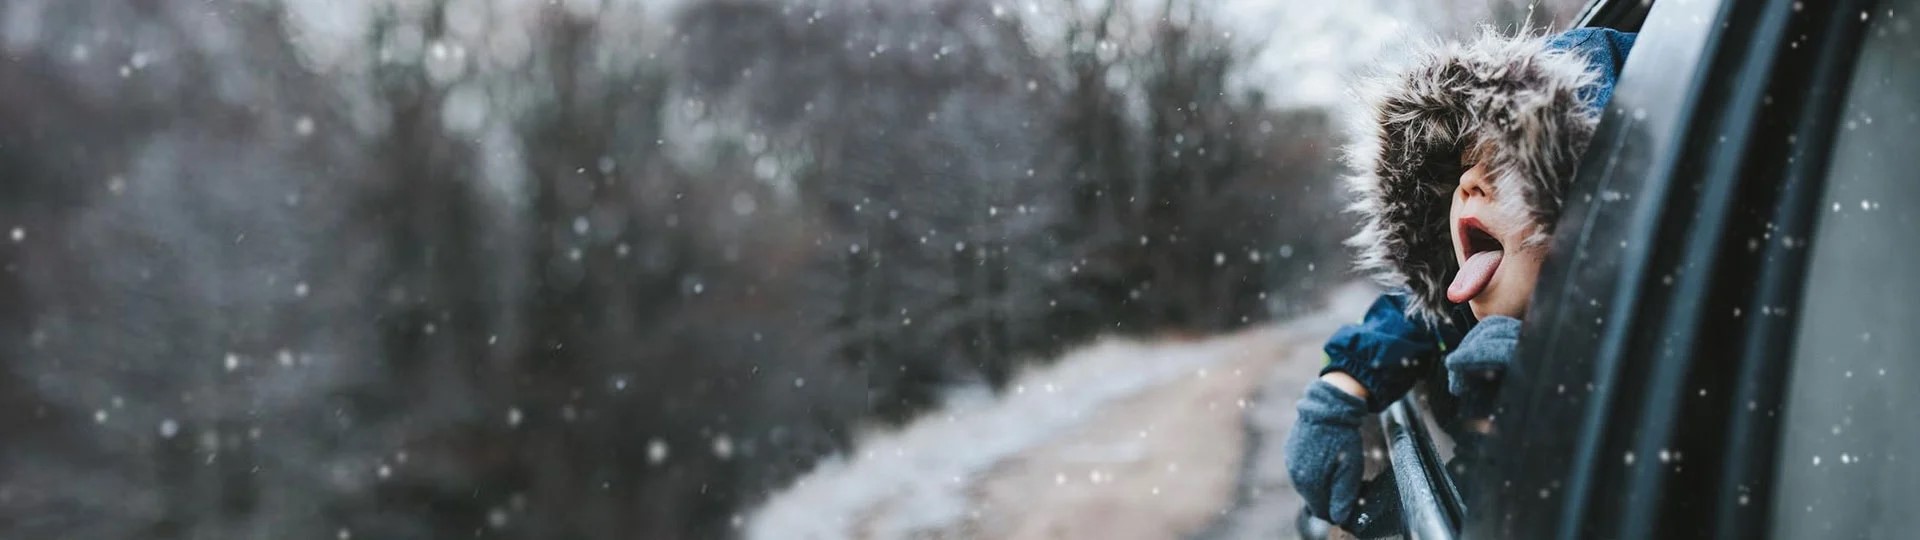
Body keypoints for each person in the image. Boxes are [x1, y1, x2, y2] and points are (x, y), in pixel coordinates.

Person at [1284, 27, 1637, 531]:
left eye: (1512, 165)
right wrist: (1341, 386)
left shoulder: (1649, 353)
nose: (1468, 182)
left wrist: (1510, 405)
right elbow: (1417, 312)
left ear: (1596, 213)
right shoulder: (1459, 310)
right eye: (1468, 163)